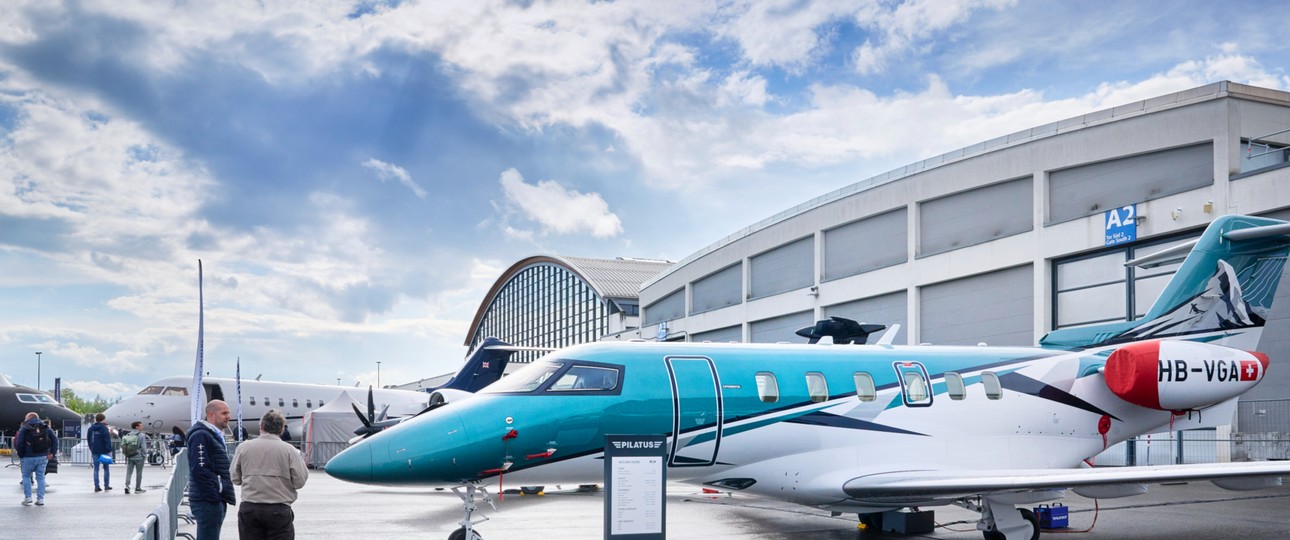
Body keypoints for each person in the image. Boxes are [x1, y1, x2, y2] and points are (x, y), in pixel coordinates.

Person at [232, 410, 309, 539]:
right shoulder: (289, 450)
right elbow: (300, 481)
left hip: (250, 507)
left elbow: (235, 478)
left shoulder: (243, 447)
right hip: (278, 508)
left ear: (261, 426)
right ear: (281, 429)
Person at [187, 400, 236, 540]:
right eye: (224, 413)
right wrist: (214, 495)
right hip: (207, 501)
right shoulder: (201, 435)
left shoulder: (211, 434)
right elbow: (200, 470)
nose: (228, 416)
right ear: (211, 415)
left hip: (213, 499)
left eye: (228, 412)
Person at [15, 412, 55, 506]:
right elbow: (54, 439)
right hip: (42, 456)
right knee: (40, 477)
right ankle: (40, 499)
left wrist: (21, 454)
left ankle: (28, 498)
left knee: (26, 476)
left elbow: (19, 442)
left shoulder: (24, 427)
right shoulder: (45, 426)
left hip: (28, 456)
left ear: (29, 418)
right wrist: (52, 452)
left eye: (25, 418)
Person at [87, 412, 114, 492]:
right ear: (103, 419)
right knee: (106, 468)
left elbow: (89, 439)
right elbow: (107, 440)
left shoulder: (91, 428)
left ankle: (96, 486)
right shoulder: (104, 428)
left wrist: (91, 448)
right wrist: (109, 450)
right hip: (104, 451)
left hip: (95, 450)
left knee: (96, 469)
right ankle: (106, 485)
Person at [122, 421, 148, 494]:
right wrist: (145, 455)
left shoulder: (128, 434)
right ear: (137, 427)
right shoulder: (141, 435)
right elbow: (143, 447)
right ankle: (137, 488)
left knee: (129, 472)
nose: (142, 427)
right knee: (139, 473)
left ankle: (127, 486)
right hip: (139, 456)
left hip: (130, 456)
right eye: (141, 426)